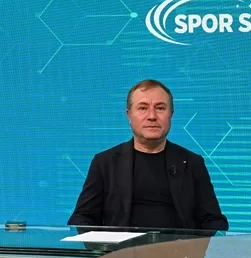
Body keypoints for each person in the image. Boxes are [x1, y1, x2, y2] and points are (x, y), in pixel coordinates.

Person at [68, 79, 228, 231]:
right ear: (129, 115)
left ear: (171, 114)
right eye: (143, 108)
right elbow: (82, 217)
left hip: (179, 249)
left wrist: (200, 246)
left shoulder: (192, 163)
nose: (152, 116)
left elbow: (213, 219)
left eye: (160, 108)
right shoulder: (105, 163)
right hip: (121, 250)